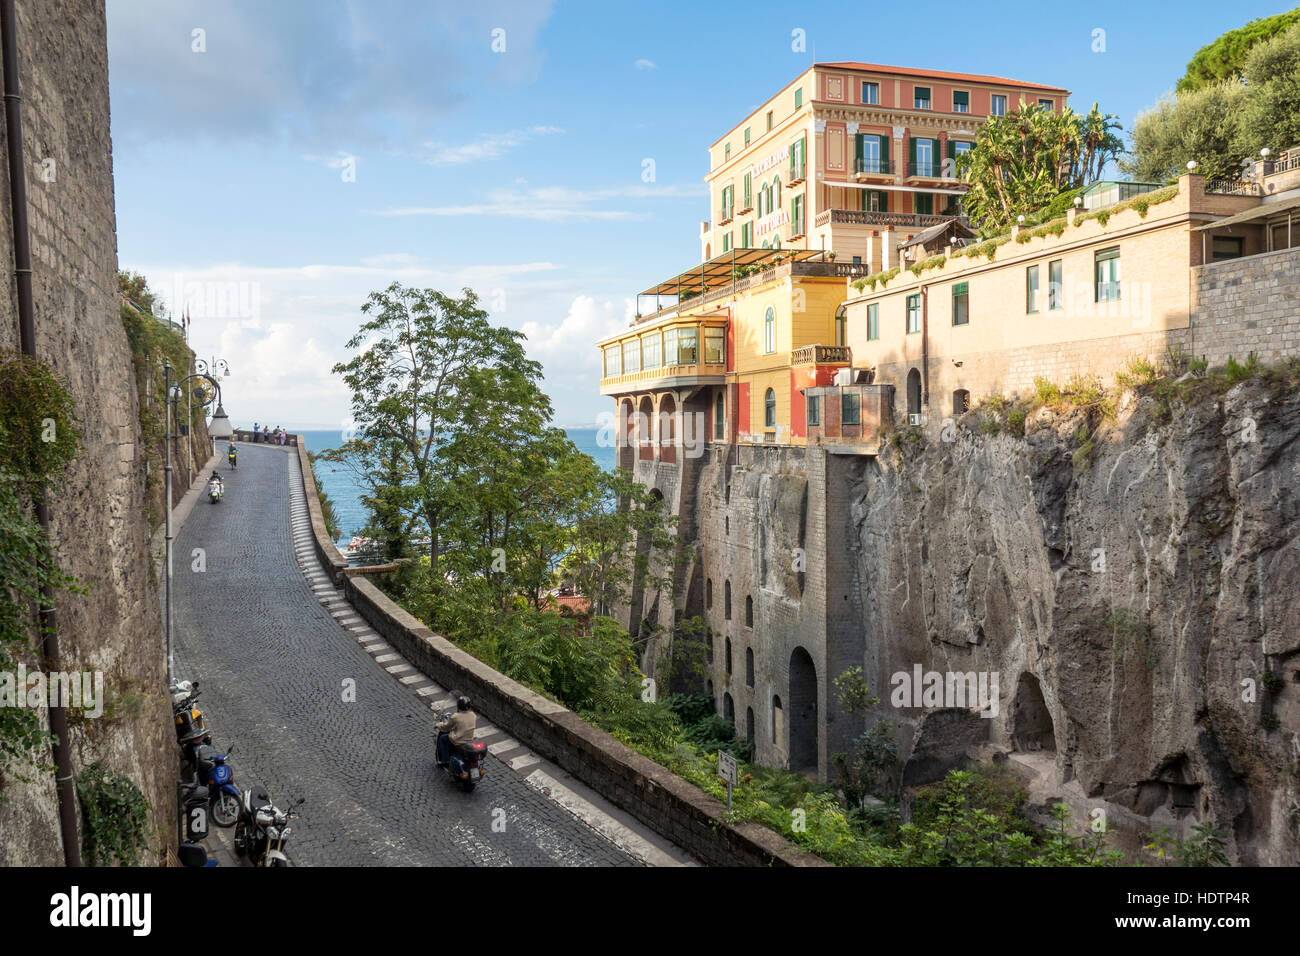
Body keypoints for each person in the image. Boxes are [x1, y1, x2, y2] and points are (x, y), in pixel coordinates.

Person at [435, 696, 476, 767]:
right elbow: (463, 724)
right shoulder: (473, 715)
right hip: (469, 739)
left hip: (458, 740)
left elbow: (446, 727)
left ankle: (445, 761)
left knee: (442, 738)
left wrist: (438, 725)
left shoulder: (455, 717)